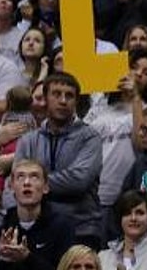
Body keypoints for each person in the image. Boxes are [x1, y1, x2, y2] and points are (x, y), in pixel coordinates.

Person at [14, 72, 103, 249]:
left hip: (82, 228)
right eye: (56, 94)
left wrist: (35, 183)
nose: (63, 101)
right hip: (37, 228)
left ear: (76, 101)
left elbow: (79, 181)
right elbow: (16, 182)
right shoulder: (29, 140)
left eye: (69, 95)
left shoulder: (90, 137)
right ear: (45, 99)